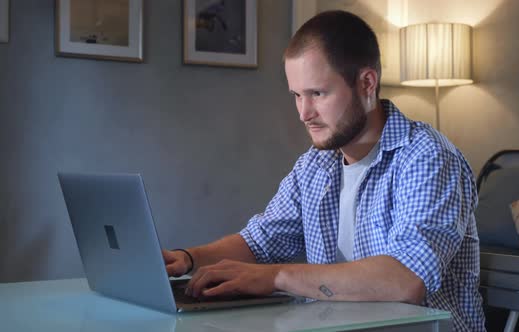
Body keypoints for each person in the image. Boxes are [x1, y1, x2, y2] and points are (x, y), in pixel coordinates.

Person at [163, 10, 485, 332]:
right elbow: (260, 242)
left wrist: (276, 276)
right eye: (297, 96)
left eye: (318, 93)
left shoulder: (428, 157)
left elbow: (406, 279)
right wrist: (187, 258)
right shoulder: (315, 165)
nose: (305, 114)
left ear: (367, 83)